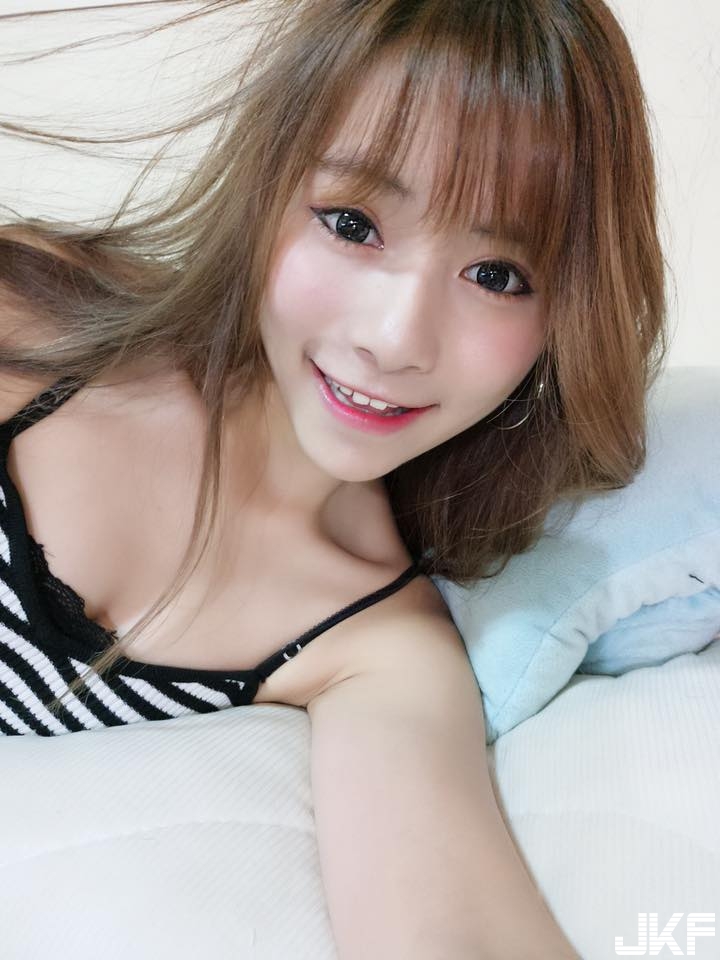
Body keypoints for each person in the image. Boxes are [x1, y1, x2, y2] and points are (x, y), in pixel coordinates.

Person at [0, 0, 667, 955]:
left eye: (497, 275)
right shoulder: (28, 326)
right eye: (353, 223)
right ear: (266, 184)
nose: (394, 339)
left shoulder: (380, 650)